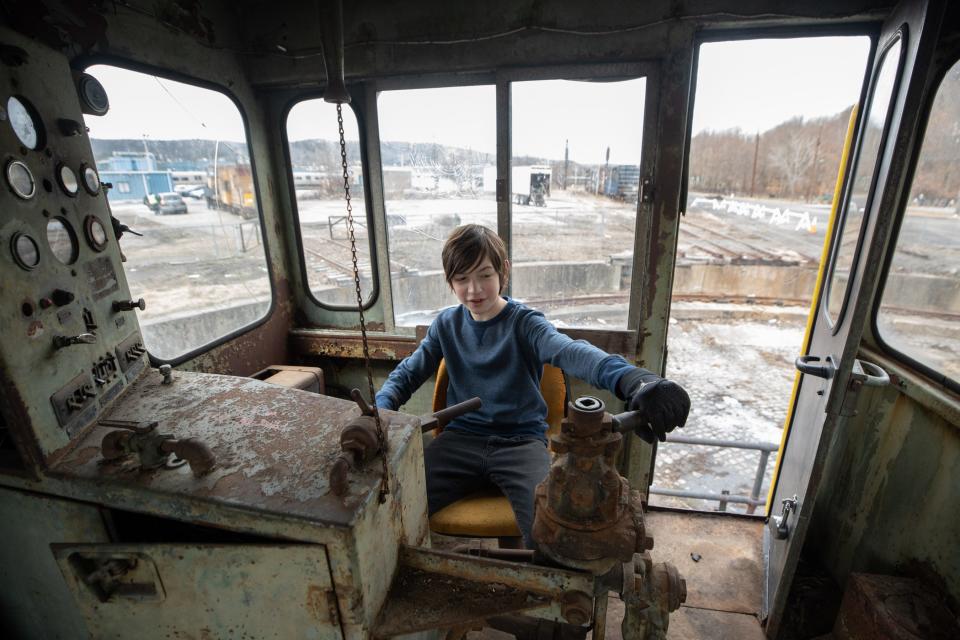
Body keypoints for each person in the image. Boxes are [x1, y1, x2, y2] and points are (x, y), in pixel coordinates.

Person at [374, 224, 690, 548]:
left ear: (503, 271)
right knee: (389, 503)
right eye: (461, 279)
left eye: (484, 275)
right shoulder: (446, 325)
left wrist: (633, 380)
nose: (474, 289)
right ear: (449, 281)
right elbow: (406, 374)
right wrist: (378, 413)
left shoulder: (524, 323)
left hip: (521, 443)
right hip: (460, 441)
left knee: (550, 529)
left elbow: (568, 350)